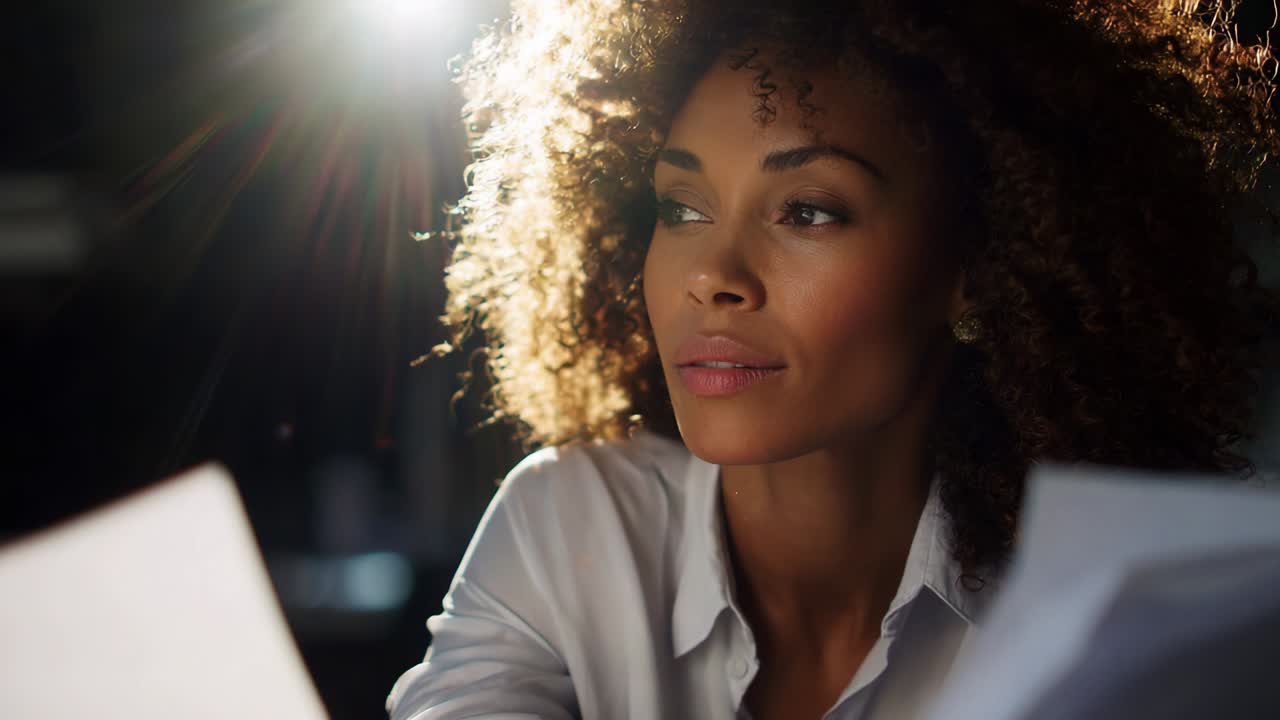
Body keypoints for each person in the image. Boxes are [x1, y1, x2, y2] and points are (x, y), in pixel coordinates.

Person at [388, 1, 1279, 718]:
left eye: (808, 211)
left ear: (978, 269)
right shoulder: (572, 525)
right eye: (683, 207)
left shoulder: (1115, 623)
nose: (714, 278)